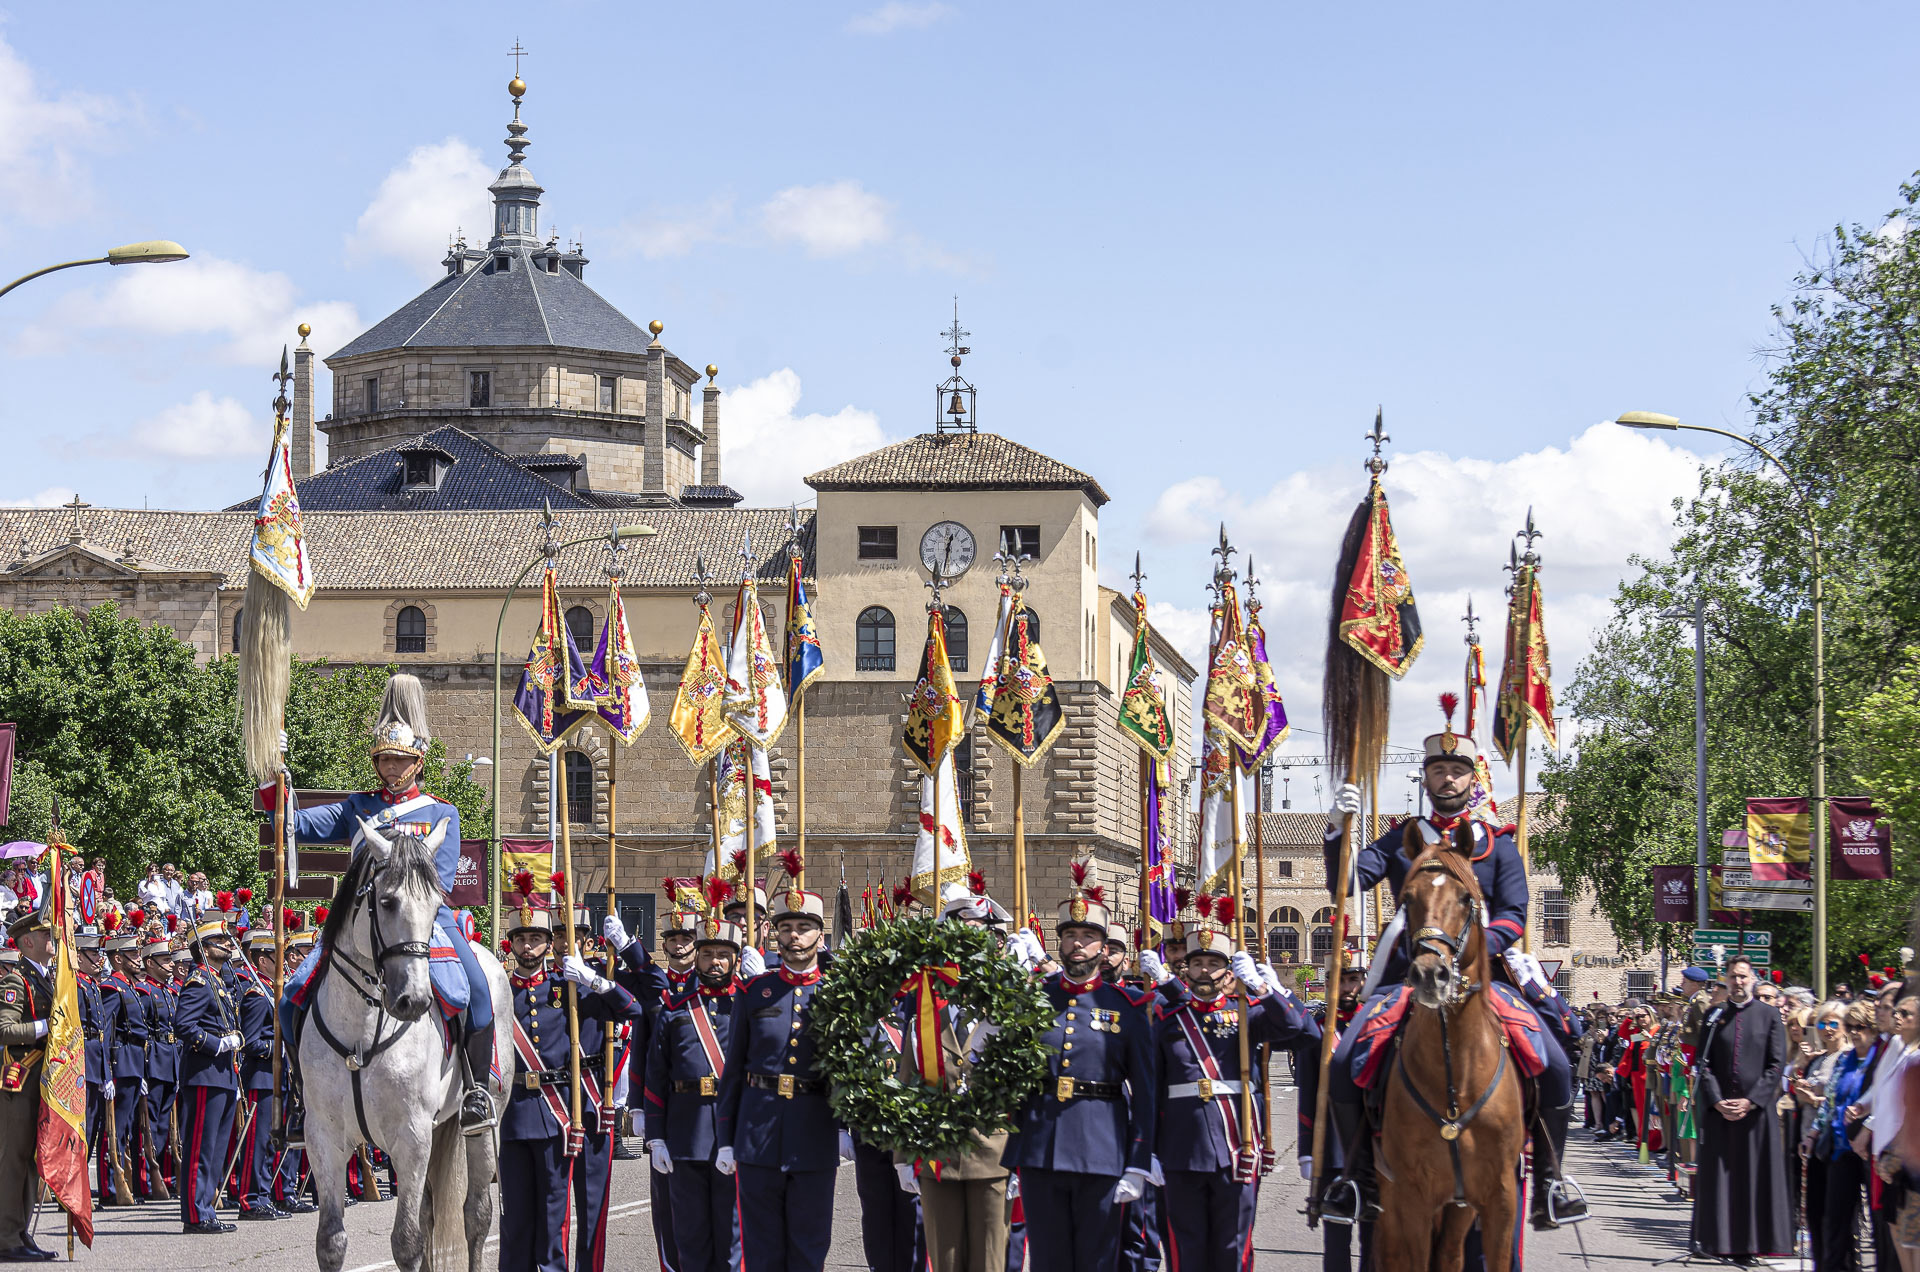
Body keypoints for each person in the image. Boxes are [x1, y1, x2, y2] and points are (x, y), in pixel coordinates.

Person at [1318, 698, 1584, 1230]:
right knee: (1347, 1060)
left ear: (1472, 778)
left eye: (1457, 770)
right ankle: (1357, 1176)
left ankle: (1552, 1178)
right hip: (1408, 977)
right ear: (1426, 777)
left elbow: (1514, 912)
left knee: (1552, 1060)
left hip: (1483, 977)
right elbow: (1347, 884)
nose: (1447, 778)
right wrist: (1336, 832)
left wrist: (1477, 951)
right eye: (1438, 769)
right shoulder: (1402, 838)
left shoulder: (1496, 847)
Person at [282, 673, 493, 1137]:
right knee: (292, 996)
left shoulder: (441, 813)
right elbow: (291, 825)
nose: (392, 769)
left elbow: (441, 880)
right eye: (384, 760)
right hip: (359, 926)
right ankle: (302, 1098)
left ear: (418, 762)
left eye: (400, 760)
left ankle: (476, 1091)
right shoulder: (355, 808)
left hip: (423, 923)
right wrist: (273, 775)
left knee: (476, 992)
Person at [1147, 904, 1318, 1272]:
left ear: (1228, 971)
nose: (1204, 970)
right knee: (1184, 1248)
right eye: (1196, 964)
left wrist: (1265, 988)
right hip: (1180, 1149)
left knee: (1234, 1247)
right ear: (1186, 970)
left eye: (1213, 963)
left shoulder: (1250, 1013)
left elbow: (1305, 1033)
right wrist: (1149, 1149)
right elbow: (1152, 1089)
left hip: (1237, 1146)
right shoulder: (1166, 1018)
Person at [1000, 872, 1155, 1272]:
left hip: (1102, 1148)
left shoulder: (1128, 1007)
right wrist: (1016, 1156)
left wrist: (1139, 1161)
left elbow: (1145, 1092)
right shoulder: (1034, 1001)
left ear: (1104, 948)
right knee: (1049, 1261)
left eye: (1088, 937)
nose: (1078, 945)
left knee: (1097, 1259)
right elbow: (1015, 1081)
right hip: (1041, 1150)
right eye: (1071, 936)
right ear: (1060, 943)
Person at [497, 887, 641, 1272]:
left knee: (551, 1219)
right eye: (521, 939)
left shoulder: (569, 988)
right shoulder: (498, 991)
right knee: (514, 1221)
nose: (528, 946)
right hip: (511, 1117)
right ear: (510, 945)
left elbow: (634, 1008)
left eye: (536, 939)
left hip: (553, 1116)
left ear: (547, 945)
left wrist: (595, 981)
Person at [714, 884, 849, 1272]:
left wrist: (843, 1128)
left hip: (815, 1133)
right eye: (786, 927)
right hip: (758, 1136)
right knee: (761, 1251)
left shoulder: (837, 993)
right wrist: (726, 1139)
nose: (794, 936)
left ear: (819, 936)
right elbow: (734, 1071)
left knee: (809, 1250)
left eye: (803, 927)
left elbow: (847, 1066)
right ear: (774, 933)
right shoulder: (756, 992)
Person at [898, 886, 1022, 1272]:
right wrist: (903, 1157)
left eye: (979, 934)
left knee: (989, 1260)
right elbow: (908, 1080)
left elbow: (1027, 1084)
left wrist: (1022, 1158)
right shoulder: (925, 1000)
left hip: (995, 1152)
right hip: (938, 1154)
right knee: (945, 1259)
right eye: (961, 933)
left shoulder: (1012, 998)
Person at [644, 890, 746, 1272]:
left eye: (722, 954)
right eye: (707, 954)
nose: (714, 962)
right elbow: (657, 1075)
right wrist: (655, 1136)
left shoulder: (749, 1006)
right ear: (696, 957)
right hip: (685, 1136)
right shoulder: (674, 1008)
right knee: (690, 1239)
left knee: (732, 1243)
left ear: (734, 959)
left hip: (733, 1136)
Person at [607, 886, 698, 1272]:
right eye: (672, 939)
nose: (678, 946)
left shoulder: (704, 986)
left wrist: (629, 946)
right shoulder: (656, 987)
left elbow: (656, 982)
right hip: (665, 1109)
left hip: (707, 1111)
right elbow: (642, 1042)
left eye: (686, 938)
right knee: (666, 1206)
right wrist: (641, 1106)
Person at [1692, 955, 1793, 1263]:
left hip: (1755, 1114)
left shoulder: (1769, 1015)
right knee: (1719, 1180)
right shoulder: (1714, 1014)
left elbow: (1776, 1066)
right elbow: (1702, 1062)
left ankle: (1748, 1247)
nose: (1738, 981)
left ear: (1753, 979)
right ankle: (1716, 1241)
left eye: (1743, 977)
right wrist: (1718, 1099)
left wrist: (1751, 1101)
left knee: (1752, 1179)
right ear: (1726, 977)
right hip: (1719, 1111)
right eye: (1733, 976)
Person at [175, 908, 244, 1235]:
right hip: (204, 1072)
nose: (226, 944)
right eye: (218, 940)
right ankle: (195, 1214)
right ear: (202, 947)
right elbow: (184, 1025)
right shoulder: (198, 980)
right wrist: (216, 1044)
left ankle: (207, 1208)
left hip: (223, 1075)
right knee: (200, 1147)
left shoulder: (219, 980)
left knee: (215, 1149)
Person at [0, 904, 58, 1263]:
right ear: (27, 942)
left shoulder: (49, 977)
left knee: (32, 1162)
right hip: (19, 1080)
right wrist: (44, 1029)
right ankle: (6, 1236)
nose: (51, 938)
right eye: (45, 934)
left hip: (43, 1081)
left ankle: (20, 1232)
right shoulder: (15, 979)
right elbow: (4, 1031)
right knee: (13, 1160)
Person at [231, 928, 283, 1220]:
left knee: (271, 1142)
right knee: (256, 1141)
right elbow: (251, 1042)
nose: (282, 963)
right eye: (277, 958)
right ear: (262, 961)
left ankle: (264, 1194)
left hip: (275, 1077)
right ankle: (250, 1199)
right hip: (261, 1075)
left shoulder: (273, 991)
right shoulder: (256, 995)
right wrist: (280, 1047)